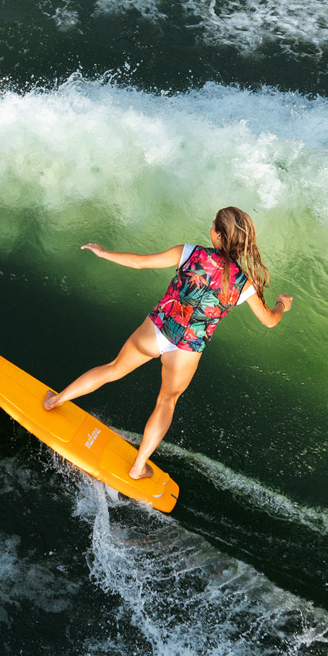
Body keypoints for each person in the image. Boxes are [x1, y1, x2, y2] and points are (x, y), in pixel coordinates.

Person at [42, 206, 292, 481]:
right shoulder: (244, 283)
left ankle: (56, 400)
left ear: (219, 235)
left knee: (113, 369)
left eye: (213, 225)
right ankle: (138, 467)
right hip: (187, 350)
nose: (210, 228)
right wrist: (281, 304)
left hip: (158, 329)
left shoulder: (191, 253)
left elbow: (139, 262)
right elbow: (270, 320)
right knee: (166, 402)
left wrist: (103, 252)